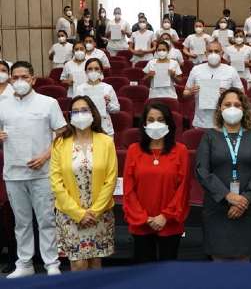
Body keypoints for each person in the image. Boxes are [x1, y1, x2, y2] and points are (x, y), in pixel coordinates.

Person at [0, 61, 67, 278]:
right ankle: (25, 263)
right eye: (15, 77)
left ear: (33, 79)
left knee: (46, 219)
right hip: (13, 172)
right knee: (21, 221)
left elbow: (61, 132)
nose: (20, 81)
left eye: (24, 77)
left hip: (42, 172)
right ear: (10, 79)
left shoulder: (48, 103)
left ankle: (51, 263)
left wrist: (46, 155)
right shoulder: (2, 105)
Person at [195, 88, 251, 260]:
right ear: (220, 109)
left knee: (244, 270)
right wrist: (227, 196)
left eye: (237, 104)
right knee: (219, 269)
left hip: (247, 208)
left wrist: (244, 200)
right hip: (217, 209)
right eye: (227, 104)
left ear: (244, 109)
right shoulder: (209, 136)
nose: (232, 108)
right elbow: (202, 171)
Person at [49, 96, 117, 271]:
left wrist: (94, 212)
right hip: (70, 213)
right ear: (70, 116)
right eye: (75, 111)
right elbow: (56, 181)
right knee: (78, 264)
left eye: (84, 110)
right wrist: (78, 213)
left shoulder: (106, 141)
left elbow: (111, 179)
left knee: (95, 262)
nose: (80, 114)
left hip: (99, 213)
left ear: (93, 113)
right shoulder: (60, 142)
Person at [123, 103, 191, 263]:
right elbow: (128, 188)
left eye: (160, 120)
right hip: (141, 223)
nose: (155, 124)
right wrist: (143, 218)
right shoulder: (134, 150)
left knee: (168, 274)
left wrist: (165, 216)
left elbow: (183, 189)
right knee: (143, 275)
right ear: (144, 124)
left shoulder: (181, 150)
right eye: (151, 120)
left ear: (168, 123)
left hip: (170, 223)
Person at [184, 41, 244, 128]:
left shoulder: (231, 70)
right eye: (210, 51)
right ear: (205, 53)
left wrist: (228, 94)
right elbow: (185, 93)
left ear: (222, 53)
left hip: (225, 121)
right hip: (201, 122)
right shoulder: (196, 69)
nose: (213, 54)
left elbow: (242, 94)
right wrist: (190, 92)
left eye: (216, 51)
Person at [74, 58, 120, 136]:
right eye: (90, 69)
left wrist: (108, 104)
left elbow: (116, 109)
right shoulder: (80, 89)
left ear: (101, 71)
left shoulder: (108, 88)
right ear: (85, 71)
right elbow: (74, 111)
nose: (93, 71)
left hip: (105, 128)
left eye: (96, 68)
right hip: (86, 128)